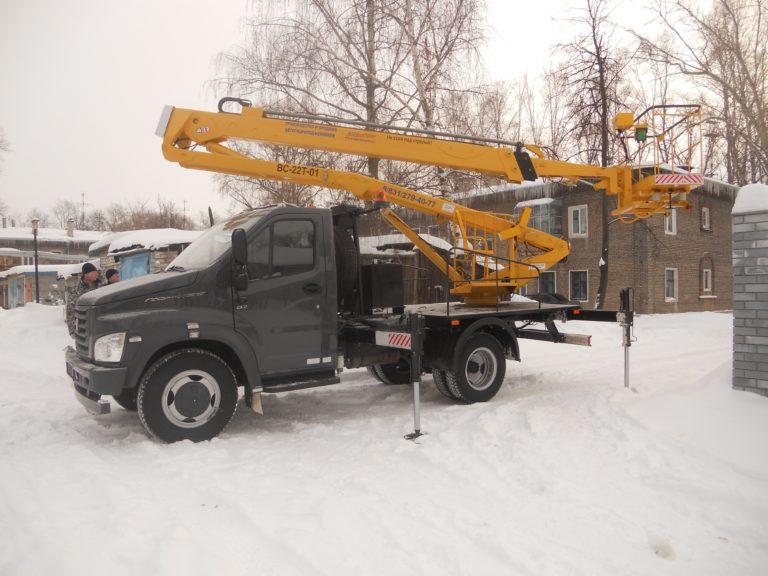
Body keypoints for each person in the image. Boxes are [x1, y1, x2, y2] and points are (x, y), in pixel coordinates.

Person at [66, 262, 102, 337]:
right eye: (93, 272)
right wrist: (72, 330)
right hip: (83, 329)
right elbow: (71, 311)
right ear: (86, 274)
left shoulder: (101, 287)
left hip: (100, 327)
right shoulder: (76, 290)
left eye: (96, 272)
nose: (96, 274)